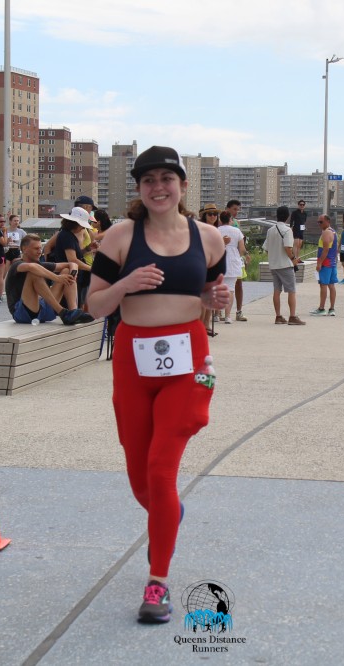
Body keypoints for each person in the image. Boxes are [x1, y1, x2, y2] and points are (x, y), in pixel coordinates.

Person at [86, 145, 228, 624]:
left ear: (183, 186)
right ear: (139, 189)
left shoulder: (208, 237)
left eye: (167, 179)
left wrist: (218, 298)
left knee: (161, 470)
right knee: (141, 479)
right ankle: (168, 516)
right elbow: (95, 306)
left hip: (190, 361)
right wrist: (125, 284)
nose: (158, 187)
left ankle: (157, 582)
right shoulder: (121, 237)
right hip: (133, 359)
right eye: (149, 180)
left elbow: (213, 295)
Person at [5, 234, 90, 325]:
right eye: (36, 249)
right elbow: (31, 267)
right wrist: (57, 278)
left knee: (66, 271)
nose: (40, 252)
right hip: (22, 312)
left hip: (42, 308)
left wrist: (73, 271)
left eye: (40, 248)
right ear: (24, 249)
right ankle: (62, 312)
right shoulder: (16, 265)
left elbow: (72, 264)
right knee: (33, 273)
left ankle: (73, 313)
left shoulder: (39, 264)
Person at [265, 206, 304, 325]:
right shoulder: (287, 230)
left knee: (277, 291)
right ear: (287, 216)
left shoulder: (270, 230)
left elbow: (266, 248)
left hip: (274, 265)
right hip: (285, 265)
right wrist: (293, 259)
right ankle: (292, 316)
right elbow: (288, 248)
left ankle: (278, 316)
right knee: (291, 291)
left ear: (277, 215)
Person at [51, 207, 95, 306]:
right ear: (75, 224)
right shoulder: (67, 236)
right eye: (82, 225)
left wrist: (88, 248)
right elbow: (73, 260)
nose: (83, 228)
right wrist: (92, 269)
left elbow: (75, 256)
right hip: (68, 276)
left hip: (71, 276)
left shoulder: (68, 235)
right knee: (71, 305)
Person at [217, 207, 247, 324]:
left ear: (220, 220)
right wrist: (245, 256)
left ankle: (216, 314)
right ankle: (228, 316)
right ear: (230, 220)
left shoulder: (216, 230)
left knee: (217, 288)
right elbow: (242, 249)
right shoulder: (237, 231)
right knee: (230, 289)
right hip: (233, 260)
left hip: (219, 260)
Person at [198, 204, 221, 335]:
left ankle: (206, 325)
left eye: (215, 214)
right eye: (210, 214)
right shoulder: (201, 229)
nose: (213, 216)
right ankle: (201, 326)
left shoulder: (216, 229)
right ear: (204, 216)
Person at [309, 214, 338, 316]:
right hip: (332, 262)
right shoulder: (333, 232)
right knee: (331, 285)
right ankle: (332, 309)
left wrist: (319, 263)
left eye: (321, 222)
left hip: (326, 263)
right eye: (318, 222)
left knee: (323, 285)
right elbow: (335, 248)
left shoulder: (326, 233)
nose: (319, 224)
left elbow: (325, 250)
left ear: (327, 221)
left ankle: (321, 309)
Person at [225, 200, 247, 321]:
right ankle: (219, 312)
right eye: (234, 209)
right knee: (222, 285)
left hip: (237, 257)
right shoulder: (221, 223)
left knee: (239, 283)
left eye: (238, 210)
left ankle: (239, 311)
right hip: (224, 257)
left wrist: (245, 255)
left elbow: (241, 242)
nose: (236, 212)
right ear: (227, 209)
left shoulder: (237, 223)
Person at [3, 214, 27, 278]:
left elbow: (28, 239)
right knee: (4, 273)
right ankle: (1, 283)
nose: (16, 222)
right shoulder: (5, 231)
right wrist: (7, 241)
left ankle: (14, 283)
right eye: (15, 221)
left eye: (17, 221)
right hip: (7, 251)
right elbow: (2, 242)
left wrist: (22, 247)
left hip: (16, 251)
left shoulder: (21, 231)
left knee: (16, 272)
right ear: (10, 221)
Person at [289, 200, 308, 269]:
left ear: (304, 206)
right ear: (298, 205)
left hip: (301, 230)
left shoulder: (305, 213)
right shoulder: (295, 212)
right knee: (296, 243)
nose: (302, 206)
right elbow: (291, 221)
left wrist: (304, 227)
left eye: (303, 205)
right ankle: (295, 258)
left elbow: (304, 221)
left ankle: (298, 257)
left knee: (300, 244)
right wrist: (291, 228)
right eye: (300, 204)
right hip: (296, 229)